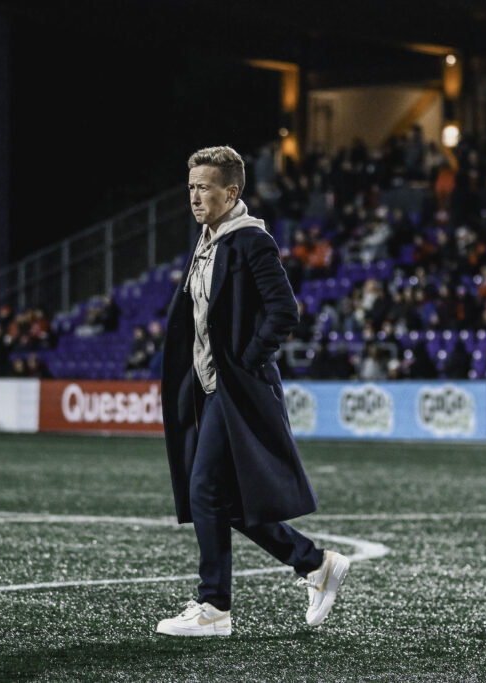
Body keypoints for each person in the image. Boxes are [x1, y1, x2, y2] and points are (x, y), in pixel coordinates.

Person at [158, 146, 349, 637]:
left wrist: (245, 359)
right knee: (226, 500)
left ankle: (214, 608)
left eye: (205, 187)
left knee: (205, 488)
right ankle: (313, 563)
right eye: (192, 187)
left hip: (237, 386)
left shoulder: (249, 242)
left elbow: (284, 310)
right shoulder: (205, 240)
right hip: (207, 386)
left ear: (231, 191)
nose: (195, 196)